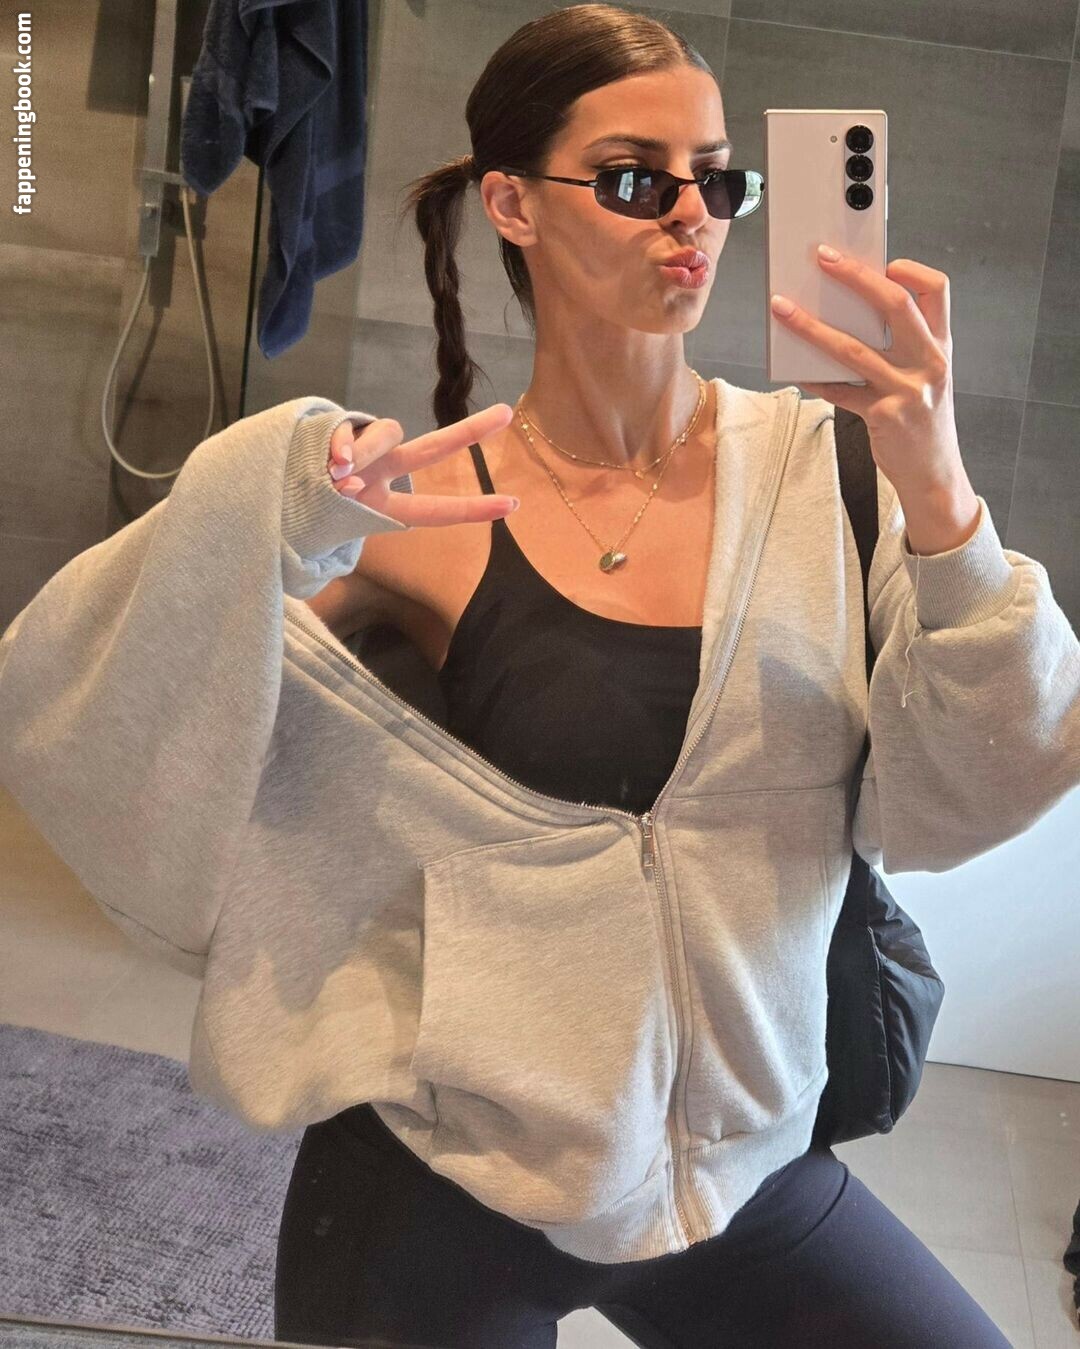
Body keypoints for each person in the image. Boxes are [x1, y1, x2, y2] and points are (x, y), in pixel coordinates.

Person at [272, 5, 1022, 1345]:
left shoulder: (838, 477)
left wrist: (942, 494)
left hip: (744, 1166)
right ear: (513, 203)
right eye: (634, 180)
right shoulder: (427, 508)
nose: (691, 217)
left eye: (716, 182)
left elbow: (987, 780)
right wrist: (268, 526)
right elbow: (179, 735)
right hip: (461, 1174)